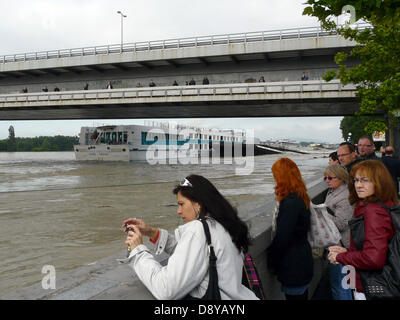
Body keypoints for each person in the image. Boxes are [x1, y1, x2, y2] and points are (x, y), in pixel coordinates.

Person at [122, 175, 258, 300]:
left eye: (181, 204)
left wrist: (138, 251)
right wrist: (152, 233)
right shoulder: (221, 224)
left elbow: (166, 289)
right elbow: (194, 253)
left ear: (198, 203)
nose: (178, 211)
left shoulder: (198, 230)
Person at [328, 160, 397, 300]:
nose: (358, 185)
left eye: (365, 180)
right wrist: (347, 251)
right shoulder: (385, 204)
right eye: (356, 180)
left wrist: (339, 257)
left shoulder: (373, 210)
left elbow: (373, 259)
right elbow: (378, 247)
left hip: (371, 286)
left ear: (379, 182)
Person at [267, 158, 314, 300]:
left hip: (293, 265)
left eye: (275, 175)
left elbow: (282, 237)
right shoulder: (301, 196)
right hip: (302, 259)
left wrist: (272, 260)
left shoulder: (290, 203)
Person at [323, 164, 354, 300]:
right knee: (340, 283)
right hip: (335, 243)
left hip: (343, 246)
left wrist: (322, 214)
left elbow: (342, 223)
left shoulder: (345, 196)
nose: (327, 181)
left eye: (330, 178)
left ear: (341, 178)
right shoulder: (332, 191)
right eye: (325, 178)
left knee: (342, 285)